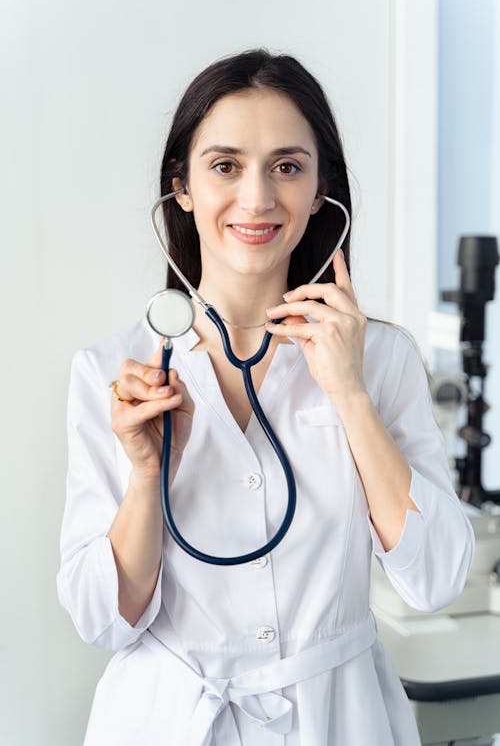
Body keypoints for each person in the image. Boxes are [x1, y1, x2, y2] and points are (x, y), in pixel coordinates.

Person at [57, 49, 474, 745]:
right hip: (170, 721)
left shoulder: (383, 360)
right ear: (182, 187)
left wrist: (349, 391)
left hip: (339, 722)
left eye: (287, 166)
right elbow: (104, 620)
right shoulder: (112, 370)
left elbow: (435, 580)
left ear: (320, 191)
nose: (257, 198)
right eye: (225, 166)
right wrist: (146, 473)